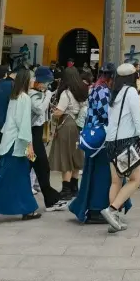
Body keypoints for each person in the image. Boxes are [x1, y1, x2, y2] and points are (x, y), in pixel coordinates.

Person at [70, 62, 133, 225]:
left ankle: (89, 207)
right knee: (104, 175)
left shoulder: (94, 89)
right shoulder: (105, 92)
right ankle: (99, 208)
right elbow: (107, 116)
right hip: (104, 139)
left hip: (93, 137)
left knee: (92, 172)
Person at [0, 68, 41, 222]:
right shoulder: (24, 98)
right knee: (7, 177)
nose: (33, 81)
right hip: (17, 144)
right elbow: (23, 124)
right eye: (32, 78)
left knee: (18, 178)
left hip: (8, 141)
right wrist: (29, 145)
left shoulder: (14, 97)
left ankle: (27, 209)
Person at [102, 63, 140, 231]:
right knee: (137, 179)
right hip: (126, 141)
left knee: (116, 181)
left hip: (111, 141)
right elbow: (137, 118)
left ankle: (113, 220)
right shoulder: (131, 92)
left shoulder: (115, 92)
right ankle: (111, 210)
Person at [49, 66, 88, 203]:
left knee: (65, 156)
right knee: (76, 155)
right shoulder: (82, 90)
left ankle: (66, 190)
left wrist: (52, 113)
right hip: (78, 124)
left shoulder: (66, 93)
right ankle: (74, 187)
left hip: (67, 124)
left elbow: (60, 111)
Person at [28, 66, 62, 210]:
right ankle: (50, 199)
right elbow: (39, 109)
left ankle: (50, 199)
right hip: (31, 136)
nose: (47, 86)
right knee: (40, 166)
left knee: (41, 167)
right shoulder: (32, 95)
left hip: (37, 134)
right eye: (46, 83)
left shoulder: (37, 93)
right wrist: (48, 95)